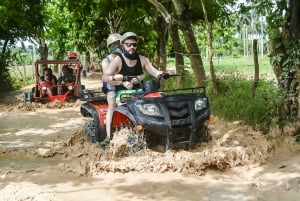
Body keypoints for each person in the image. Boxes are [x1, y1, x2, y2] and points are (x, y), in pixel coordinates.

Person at [101, 31, 169, 146]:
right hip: (116, 88)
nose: (131, 47)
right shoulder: (113, 60)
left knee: (156, 99)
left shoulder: (142, 59)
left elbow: (153, 71)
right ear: (123, 45)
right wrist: (119, 80)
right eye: (128, 44)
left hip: (137, 90)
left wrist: (161, 74)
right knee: (112, 103)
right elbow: (105, 77)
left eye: (134, 44)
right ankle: (109, 136)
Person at [101, 33, 123, 146]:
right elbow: (108, 77)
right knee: (112, 102)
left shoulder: (125, 58)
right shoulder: (106, 61)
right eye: (114, 44)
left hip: (125, 85)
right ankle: (108, 136)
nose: (117, 46)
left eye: (119, 43)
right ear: (110, 47)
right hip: (111, 86)